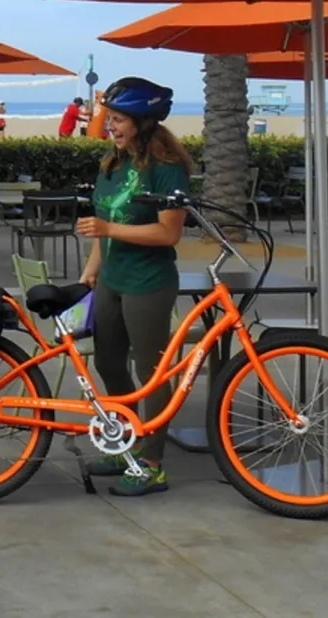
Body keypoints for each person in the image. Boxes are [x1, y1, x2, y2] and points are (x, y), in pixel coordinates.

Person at [76, 76, 190, 497]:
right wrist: (89, 273)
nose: (110, 126)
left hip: (149, 282)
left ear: (143, 122)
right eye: (110, 118)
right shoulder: (112, 164)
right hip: (111, 278)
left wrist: (109, 229)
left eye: (119, 119)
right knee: (108, 364)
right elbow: (103, 228)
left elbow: (168, 234)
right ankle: (126, 442)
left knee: (151, 373)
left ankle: (152, 464)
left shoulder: (167, 169)